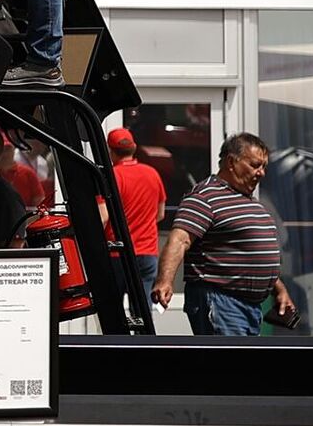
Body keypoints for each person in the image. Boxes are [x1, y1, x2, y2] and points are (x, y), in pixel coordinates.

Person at [152, 132, 295, 336]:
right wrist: (164, 280)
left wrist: (278, 288)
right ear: (231, 162)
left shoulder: (247, 200)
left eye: (264, 167)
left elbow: (249, 254)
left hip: (249, 307)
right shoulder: (205, 196)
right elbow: (180, 240)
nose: (262, 173)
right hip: (221, 302)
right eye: (255, 165)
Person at [105, 128, 167, 287]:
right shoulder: (152, 173)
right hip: (147, 252)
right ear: (134, 148)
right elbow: (160, 214)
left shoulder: (111, 176)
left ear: (110, 151)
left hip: (117, 252)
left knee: (112, 302)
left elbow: (103, 217)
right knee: (143, 301)